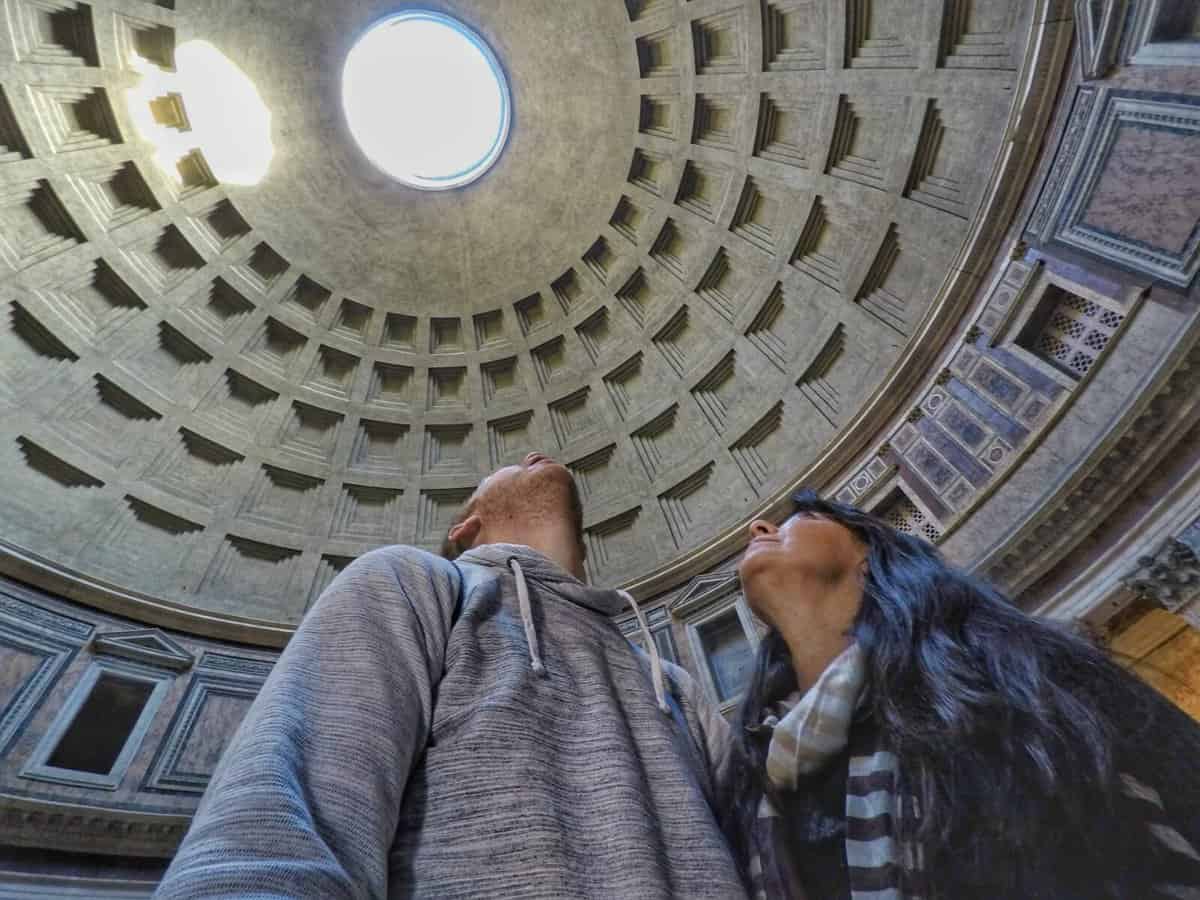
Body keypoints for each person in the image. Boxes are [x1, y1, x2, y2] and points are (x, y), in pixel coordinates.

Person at [155, 452, 747, 899]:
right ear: (467, 529)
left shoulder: (668, 679)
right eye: (506, 466)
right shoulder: (418, 584)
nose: (532, 453)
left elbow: (757, 862)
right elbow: (281, 824)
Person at [729, 489, 1200, 900]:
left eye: (803, 517)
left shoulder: (1018, 672)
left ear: (867, 550)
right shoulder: (762, 790)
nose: (760, 526)